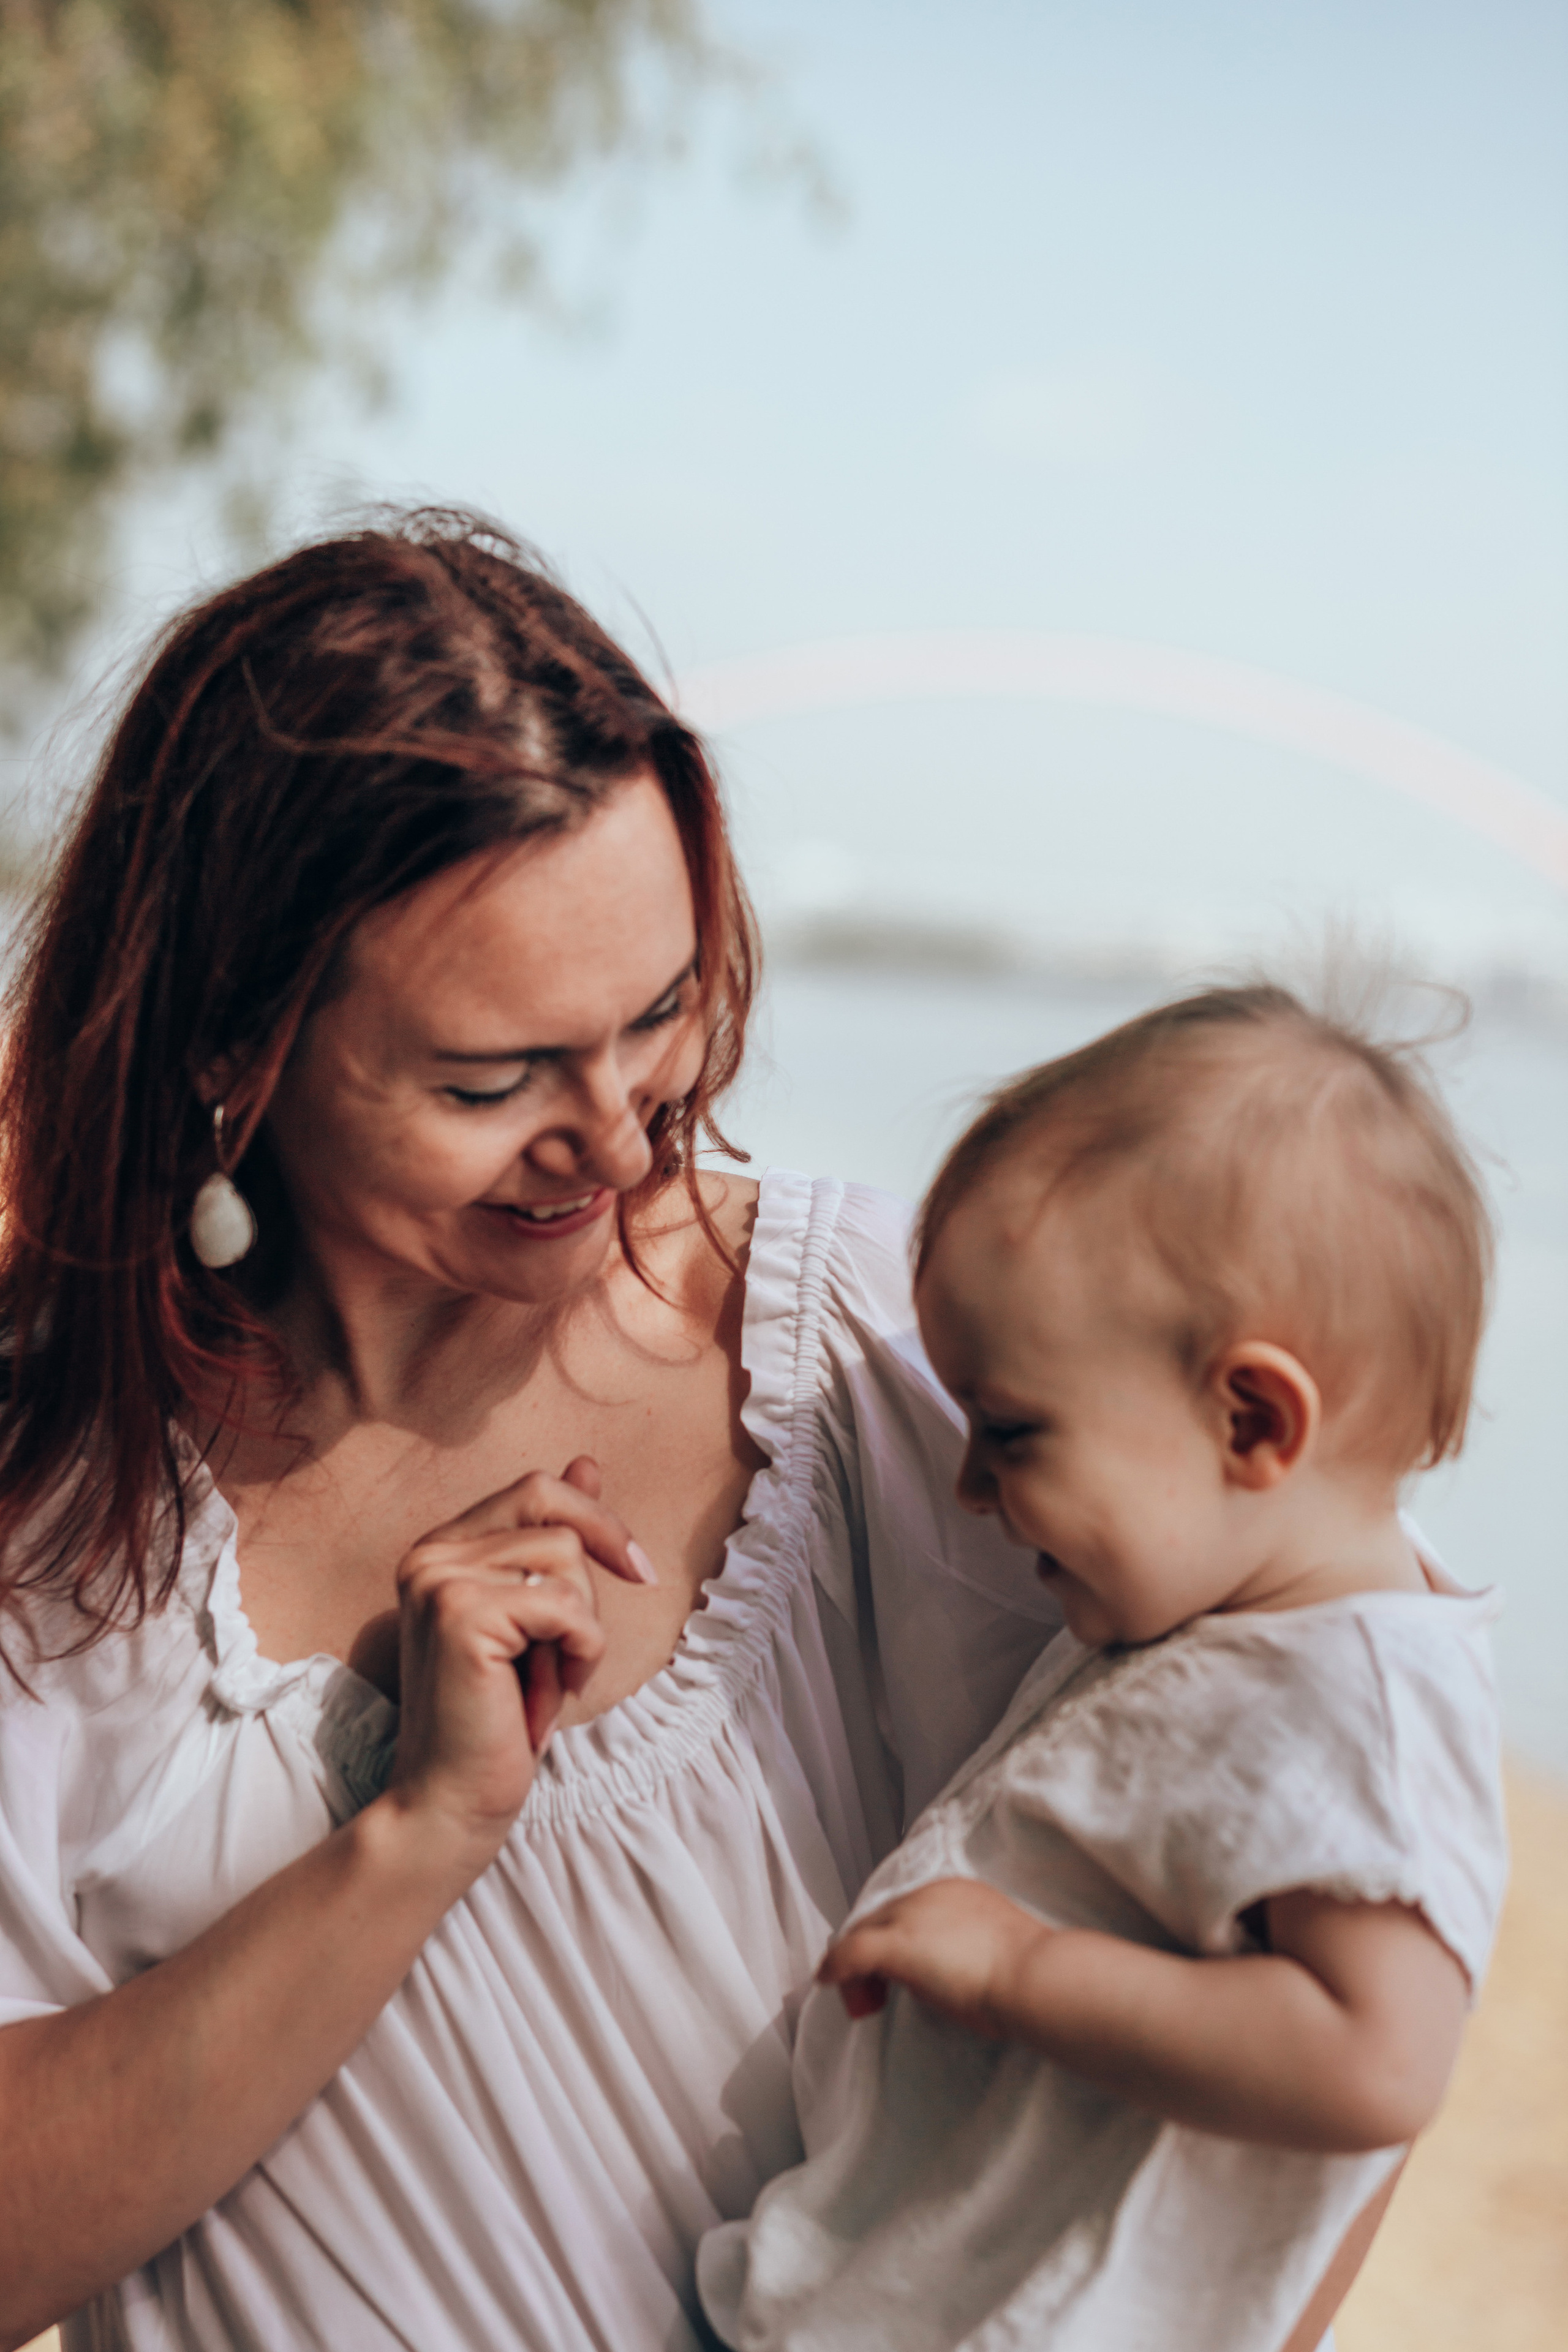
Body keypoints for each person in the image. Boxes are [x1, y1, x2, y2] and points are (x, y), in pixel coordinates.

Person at [0, 513, 1397, 2352]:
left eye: (657, 1015)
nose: (619, 1133)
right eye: (492, 1080)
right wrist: (419, 1834)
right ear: (224, 1045)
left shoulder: (889, 1366)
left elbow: (1337, 1883)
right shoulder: (50, 1516)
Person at [696, 984, 1508, 2352]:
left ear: (1250, 1419)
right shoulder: (1218, 1608)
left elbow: (1377, 2059)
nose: (964, 1485)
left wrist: (1021, 1973)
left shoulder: (1351, 1695)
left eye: (1010, 1432)